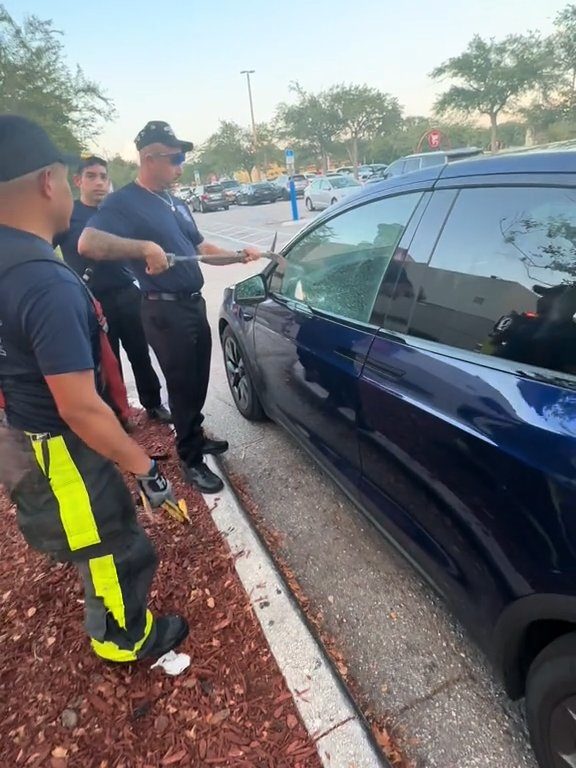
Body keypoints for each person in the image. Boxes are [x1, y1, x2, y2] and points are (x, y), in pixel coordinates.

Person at [0, 115, 188, 663]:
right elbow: (80, 406)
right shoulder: (43, 280)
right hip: (61, 444)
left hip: (29, 431)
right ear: (47, 183)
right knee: (110, 541)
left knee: (90, 535)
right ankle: (122, 640)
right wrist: (145, 468)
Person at [79, 121, 261, 493]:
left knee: (197, 380)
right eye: (175, 157)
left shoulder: (174, 202)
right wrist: (143, 248)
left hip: (192, 305)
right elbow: (87, 242)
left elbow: (200, 248)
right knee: (180, 385)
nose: (181, 165)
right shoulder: (123, 201)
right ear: (149, 158)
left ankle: (194, 434)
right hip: (163, 311)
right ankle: (191, 459)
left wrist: (236, 256)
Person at [55, 155, 171, 423]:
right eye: (91, 176)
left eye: (103, 177)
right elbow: (44, 253)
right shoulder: (67, 217)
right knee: (108, 362)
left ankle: (153, 404)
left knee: (140, 353)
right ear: (78, 181)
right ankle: (118, 414)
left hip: (127, 294)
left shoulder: (114, 211)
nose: (99, 182)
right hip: (93, 301)